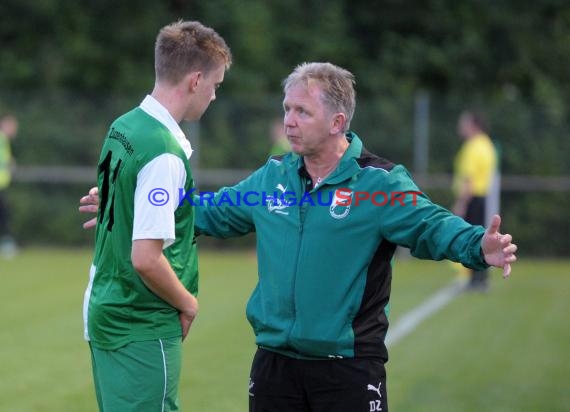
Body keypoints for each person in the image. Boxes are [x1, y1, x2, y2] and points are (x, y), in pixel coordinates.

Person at [81, 62, 516, 412]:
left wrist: (477, 245)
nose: (288, 121)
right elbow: (206, 210)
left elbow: (430, 226)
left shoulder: (377, 183)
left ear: (337, 121)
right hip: (274, 366)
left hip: (347, 369)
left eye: (301, 112)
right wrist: (134, 205)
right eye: (286, 109)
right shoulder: (273, 177)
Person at [82, 21, 231, 412]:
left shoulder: (124, 125)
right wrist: (188, 303)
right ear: (195, 80)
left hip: (106, 309)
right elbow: (146, 259)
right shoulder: (164, 152)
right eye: (215, 85)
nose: (214, 96)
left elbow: (127, 207)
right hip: (140, 323)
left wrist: (123, 209)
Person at [452, 110, 498, 291]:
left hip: (472, 198)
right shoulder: (487, 144)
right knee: (479, 236)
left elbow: (469, 179)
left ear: (473, 125)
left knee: (470, 237)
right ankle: (480, 277)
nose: (460, 127)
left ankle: (475, 279)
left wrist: (461, 202)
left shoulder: (473, 146)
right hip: (482, 197)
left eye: (463, 124)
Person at [0, 113, 18, 257]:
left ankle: (6, 243)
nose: (14, 130)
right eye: (12, 126)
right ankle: (6, 244)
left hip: (2, 185)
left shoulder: (4, 140)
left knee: (4, 214)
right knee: (4, 215)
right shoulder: (1, 139)